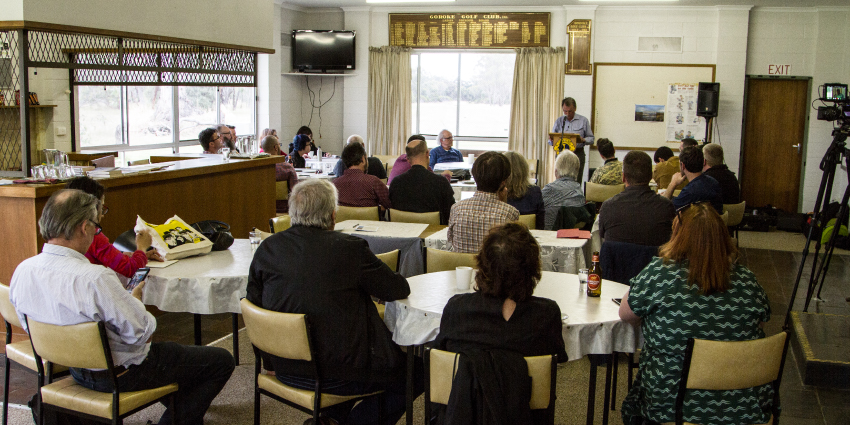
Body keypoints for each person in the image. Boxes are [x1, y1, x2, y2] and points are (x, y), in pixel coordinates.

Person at [10, 189, 235, 425]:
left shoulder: (23, 270)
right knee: (219, 361)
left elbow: (29, 326)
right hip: (121, 374)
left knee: (180, 362)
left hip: (74, 369)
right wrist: (135, 298)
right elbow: (142, 333)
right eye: (97, 227)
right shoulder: (95, 278)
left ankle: (180, 407)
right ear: (84, 227)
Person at [247, 178, 418, 425]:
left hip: (284, 367)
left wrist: (270, 361)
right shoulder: (349, 248)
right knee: (417, 372)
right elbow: (397, 288)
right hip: (340, 372)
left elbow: (254, 307)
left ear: (292, 212)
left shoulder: (268, 248)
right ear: (332, 215)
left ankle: (328, 420)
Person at [619, 202, 773, 425]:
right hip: (742, 406)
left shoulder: (659, 274)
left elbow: (626, 314)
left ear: (678, 235)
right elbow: (759, 323)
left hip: (671, 405)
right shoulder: (748, 281)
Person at [434, 222, 568, 422]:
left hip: (463, 414)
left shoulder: (457, 309)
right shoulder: (546, 314)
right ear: (533, 269)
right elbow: (559, 358)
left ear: (482, 265)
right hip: (527, 417)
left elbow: (441, 357)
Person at [65, 176, 163, 278]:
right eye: (102, 207)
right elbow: (132, 270)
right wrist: (142, 247)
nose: (102, 214)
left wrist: (138, 255)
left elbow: (105, 256)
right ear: (93, 208)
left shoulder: (64, 232)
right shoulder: (93, 235)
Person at [598, 151, 676, 246]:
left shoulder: (608, 207)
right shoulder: (666, 206)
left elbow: (602, 235)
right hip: (653, 260)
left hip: (620, 260)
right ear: (651, 176)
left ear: (623, 177)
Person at [447, 152, 519, 253]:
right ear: (503, 182)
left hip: (461, 267)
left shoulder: (456, 209)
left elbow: (451, 241)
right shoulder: (510, 213)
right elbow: (510, 250)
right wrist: (503, 203)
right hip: (492, 268)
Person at [388, 136, 455, 224]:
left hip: (403, 233)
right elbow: (451, 213)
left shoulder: (396, 183)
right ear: (427, 153)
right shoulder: (440, 182)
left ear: (408, 159)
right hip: (433, 234)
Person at [663, 146, 723, 214]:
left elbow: (664, 208)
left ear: (683, 165)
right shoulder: (713, 182)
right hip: (714, 223)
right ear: (703, 162)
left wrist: (672, 184)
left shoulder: (690, 191)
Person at [333, 142, 392, 210]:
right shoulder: (374, 182)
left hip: (343, 220)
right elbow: (390, 204)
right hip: (370, 220)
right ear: (363, 159)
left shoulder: (334, 185)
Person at [549, 97, 594, 181]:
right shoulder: (559, 121)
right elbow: (550, 140)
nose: (567, 114)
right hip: (561, 154)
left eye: (570, 111)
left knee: (577, 180)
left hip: (577, 153)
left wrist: (583, 140)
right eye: (565, 111)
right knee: (560, 180)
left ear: (575, 109)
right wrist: (552, 140)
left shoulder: (583, 121)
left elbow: (591, 138)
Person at [541, 150, 586, 230]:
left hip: (548, 235)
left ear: (556, 172)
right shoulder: (579, 192)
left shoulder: (549, 189)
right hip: (571, 238)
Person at [503, 151, 544, 230]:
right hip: (528, 237)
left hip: (503, 238)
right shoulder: (535, 191)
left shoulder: (498, 193)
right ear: (525, 170)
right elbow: (541, 225)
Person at [261, 135, 299, 214]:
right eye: (279, 144)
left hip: (263, 211)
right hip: (285, 212)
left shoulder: (259, 169)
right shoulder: (287, 168)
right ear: (276, 147)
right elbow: (295, 193)